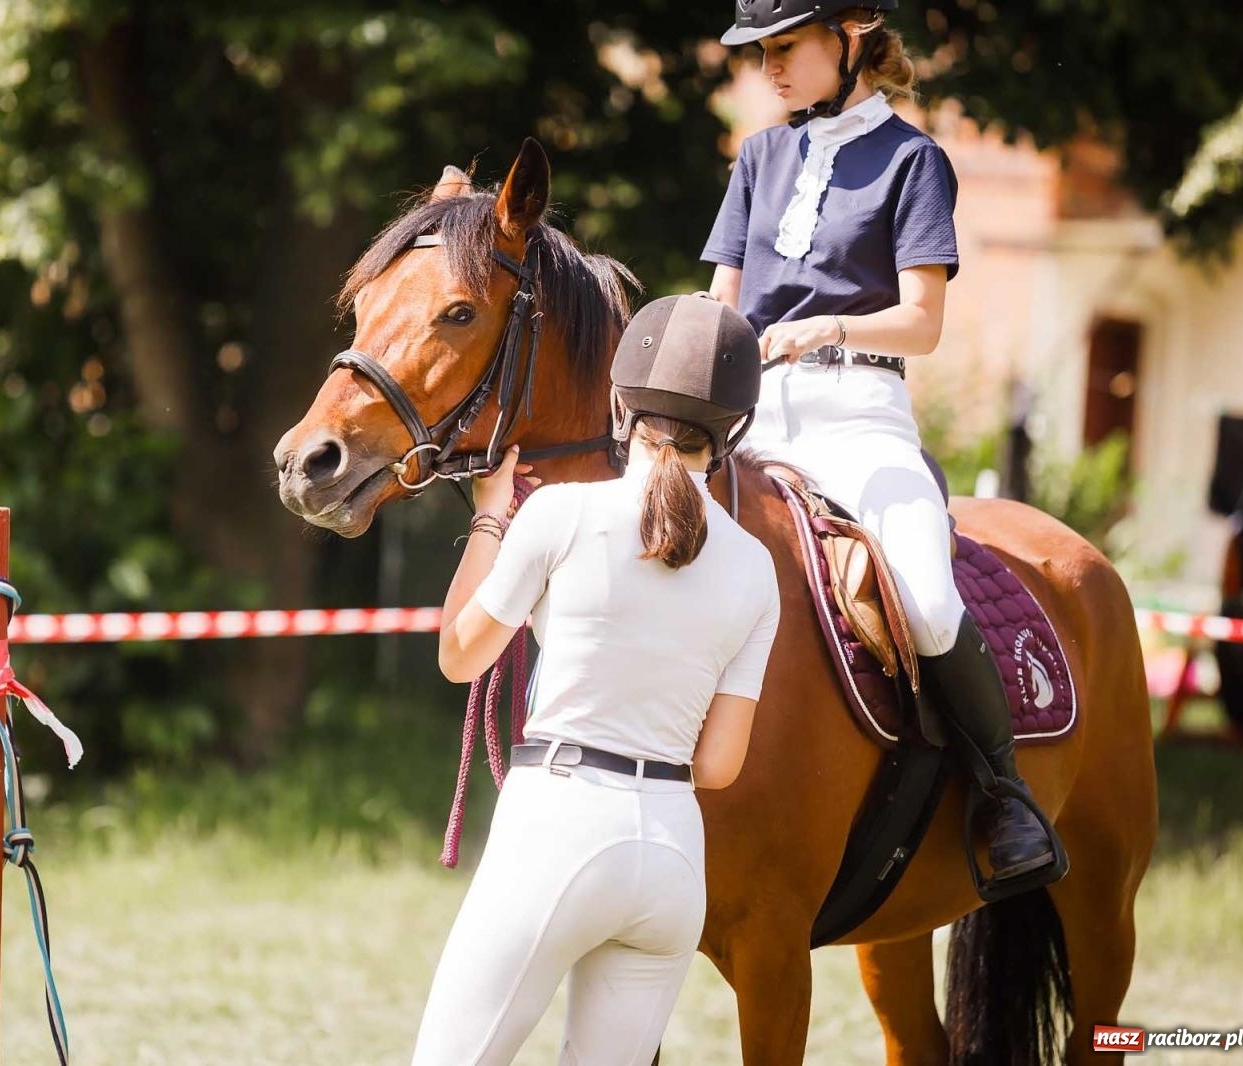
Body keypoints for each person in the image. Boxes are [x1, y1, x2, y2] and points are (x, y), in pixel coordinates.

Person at [702, 0, 1060, 883]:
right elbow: (721, 305)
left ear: (851, 36)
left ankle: (1004, 794)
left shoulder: (914, 160)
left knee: (931, 603)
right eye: (762, 54)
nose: (772, 69)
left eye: (788, 48)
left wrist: (824, 328)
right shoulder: (759, 156)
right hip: (751, 416)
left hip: (857, 413)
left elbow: (923, 323)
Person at [412, 295, 779, 1065]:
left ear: (621, 406)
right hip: (673, 855)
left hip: (559, 823)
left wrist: (489, 515)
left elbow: (459, 656)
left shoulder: (561, 515)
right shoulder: (756, 568)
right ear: (732, 430)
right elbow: (718, 765)